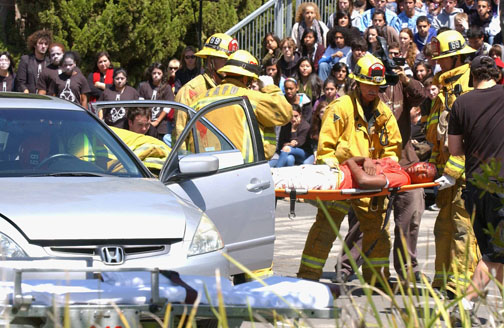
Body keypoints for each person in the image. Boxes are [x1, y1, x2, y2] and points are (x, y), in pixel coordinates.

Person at [297, 53, 402, 286]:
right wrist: (333, 177)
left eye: (377, 87)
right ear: (357, 82)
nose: (374, 91)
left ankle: (378, 281)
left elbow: (392, 150)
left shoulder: (384, 113)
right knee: (325, 227)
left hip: (369, 180)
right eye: (369, 86)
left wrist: (384, 173)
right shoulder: (341, 107)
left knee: (377, 230)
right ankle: (307, 277)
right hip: (341, 178)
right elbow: (326, 149)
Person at [336, 41, 427, 283]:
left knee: (411, 214)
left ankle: (408, 269)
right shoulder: (358, 94)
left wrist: (405, 78)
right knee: (365, 219)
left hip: (404, 161)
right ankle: (345, 268)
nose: (387, 69)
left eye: (395, 60)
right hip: (370, 163)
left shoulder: (400, 85)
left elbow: (422, 96)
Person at [447, 55, 504, 325]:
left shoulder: (461, 103)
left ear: (472, 76)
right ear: (496, 74)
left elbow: (455, 150)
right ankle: (465, 306)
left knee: (496, 252)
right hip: (500, 188)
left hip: (475, 187)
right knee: (495, 254)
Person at [425, 30, 480, 296]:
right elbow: (438, 134)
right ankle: (443, 281)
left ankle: (460, 288)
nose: (438, 63)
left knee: (462, 230)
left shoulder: (470, 84)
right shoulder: (446, 89)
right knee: (443, 228)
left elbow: (472, 136)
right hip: (447, 173)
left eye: (443, 58)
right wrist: (435, 165)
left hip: (466, 174)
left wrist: (454, 169)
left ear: (457, 58)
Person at [191, 50, 292, 161]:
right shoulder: (252, 98)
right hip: (243, 168)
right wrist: (270, 87)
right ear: (245, 78)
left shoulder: (199, 100)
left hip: (204, 167)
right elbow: (285, 114)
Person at [173, 33, 238, 142]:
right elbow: (179, 135)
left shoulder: (234, 89)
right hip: (200, 157)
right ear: (210, 61)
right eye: (226, 61)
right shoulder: (190, 91)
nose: (230, 66)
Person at [137, 62, 175, 141]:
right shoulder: (144, 86)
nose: (156, 75)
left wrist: (157, 121)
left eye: (159, 73)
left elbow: (167, 107)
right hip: (146, 123)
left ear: (162, 74)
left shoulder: (167, 88)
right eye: (154, 73)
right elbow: (141, 104)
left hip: (162, 125)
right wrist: (148, 121)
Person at [16, 29, 51, 94]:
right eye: (40, 43)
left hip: (46, 100)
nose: (43, 46)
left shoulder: (50, 62)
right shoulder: (25, 60)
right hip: (29, 99)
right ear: (34, 45)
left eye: (46, 44)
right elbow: (20, 82)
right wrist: (26, 93)